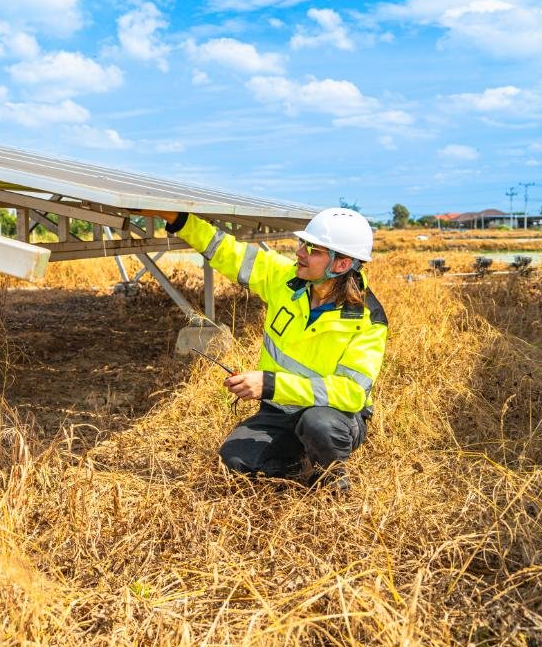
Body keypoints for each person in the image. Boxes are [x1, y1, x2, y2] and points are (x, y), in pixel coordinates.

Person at [145, 207, 388, 490]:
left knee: (318, 425)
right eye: (302, 244)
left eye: (313, 249)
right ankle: (297, 462)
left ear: (342, 264)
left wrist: (270, 385)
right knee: (235, 461)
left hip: (333, 416)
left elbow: (351, 393)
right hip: (279, 411)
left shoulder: (368, 319)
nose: (300, 252)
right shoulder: (284, 279)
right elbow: (228, 251)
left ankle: (331, 476)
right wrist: (177, 219)